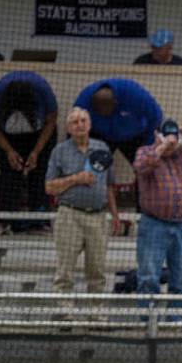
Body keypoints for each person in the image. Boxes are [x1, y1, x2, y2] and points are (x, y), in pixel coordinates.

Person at [132, 118, 182, 313]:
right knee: (149, 278)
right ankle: (149, 324)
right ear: (156, 136)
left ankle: (175, 324)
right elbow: (141, 167)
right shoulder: (145, 152)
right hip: (154, 225)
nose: (171, 143)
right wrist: (161, 147)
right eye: (166, 137)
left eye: (173, 139)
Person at [45, 107, 121, 297]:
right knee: (65, 270)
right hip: (70, 216)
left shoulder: (102, 148)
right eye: (74, 122)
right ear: (68, 128)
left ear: (90, 124)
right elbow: (49, 187)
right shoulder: (59, 151)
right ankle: (64, 315)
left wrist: (115, 215)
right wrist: (75, 179)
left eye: (83, 120)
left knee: (97, 271)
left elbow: (110, 185)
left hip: (98, 217)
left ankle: (96, 316)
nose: (80, 125)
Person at [0, 71, 58, 234]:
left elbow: (51, 121)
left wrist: (36, 151)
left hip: (40, 133)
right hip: (7, 136)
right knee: (10, 172)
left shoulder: (43, 90)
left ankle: (41, 220)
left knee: (40, 172)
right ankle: (6, 221)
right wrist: (9, 151)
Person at [75, 78, 163, 165]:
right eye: (98, 111)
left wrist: (148, 146)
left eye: (106, 112)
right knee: (94, 166)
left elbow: (155, 117)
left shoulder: (135, 94)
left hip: (134, 136)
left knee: (145, 165)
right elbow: (73, 127)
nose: (103, 114)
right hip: (101, 136)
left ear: (115, 103)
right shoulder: (84, 101)